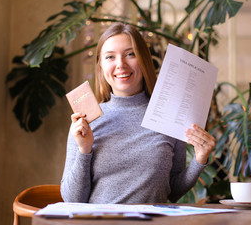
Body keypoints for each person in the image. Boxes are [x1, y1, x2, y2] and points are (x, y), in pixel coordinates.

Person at [60, 22, 216, 204]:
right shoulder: (86, 123)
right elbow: (72, 199)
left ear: (144, 60)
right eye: (110, 57)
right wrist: (84, 149)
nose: (121, 64)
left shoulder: (169, 116)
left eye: (130, 54)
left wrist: (199, 160)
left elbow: (172, 191)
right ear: (101, 67)